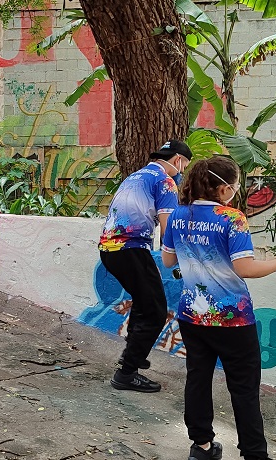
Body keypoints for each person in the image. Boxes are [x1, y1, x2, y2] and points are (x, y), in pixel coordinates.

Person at [160, 155, 276, 460]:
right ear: (223, 189)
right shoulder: (231, 218)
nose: (237, 190)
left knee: (198, 377)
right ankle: (254, 453)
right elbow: (245, 268)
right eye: (235, 185)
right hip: (232, 319)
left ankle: (202, 447)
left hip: (192, 313)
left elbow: (169, 260)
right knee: (244, 388)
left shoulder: (176, 216)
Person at [98, 139, 190, 393]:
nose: (182, 172)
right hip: (131, 248)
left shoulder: (136, 176)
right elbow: (168, 227)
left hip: (110, 249)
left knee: (144, 303)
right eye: (184, 166)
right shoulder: (165, 181)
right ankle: (126, 373)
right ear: (177, 161)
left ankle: (133, 359)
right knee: (155, 311)